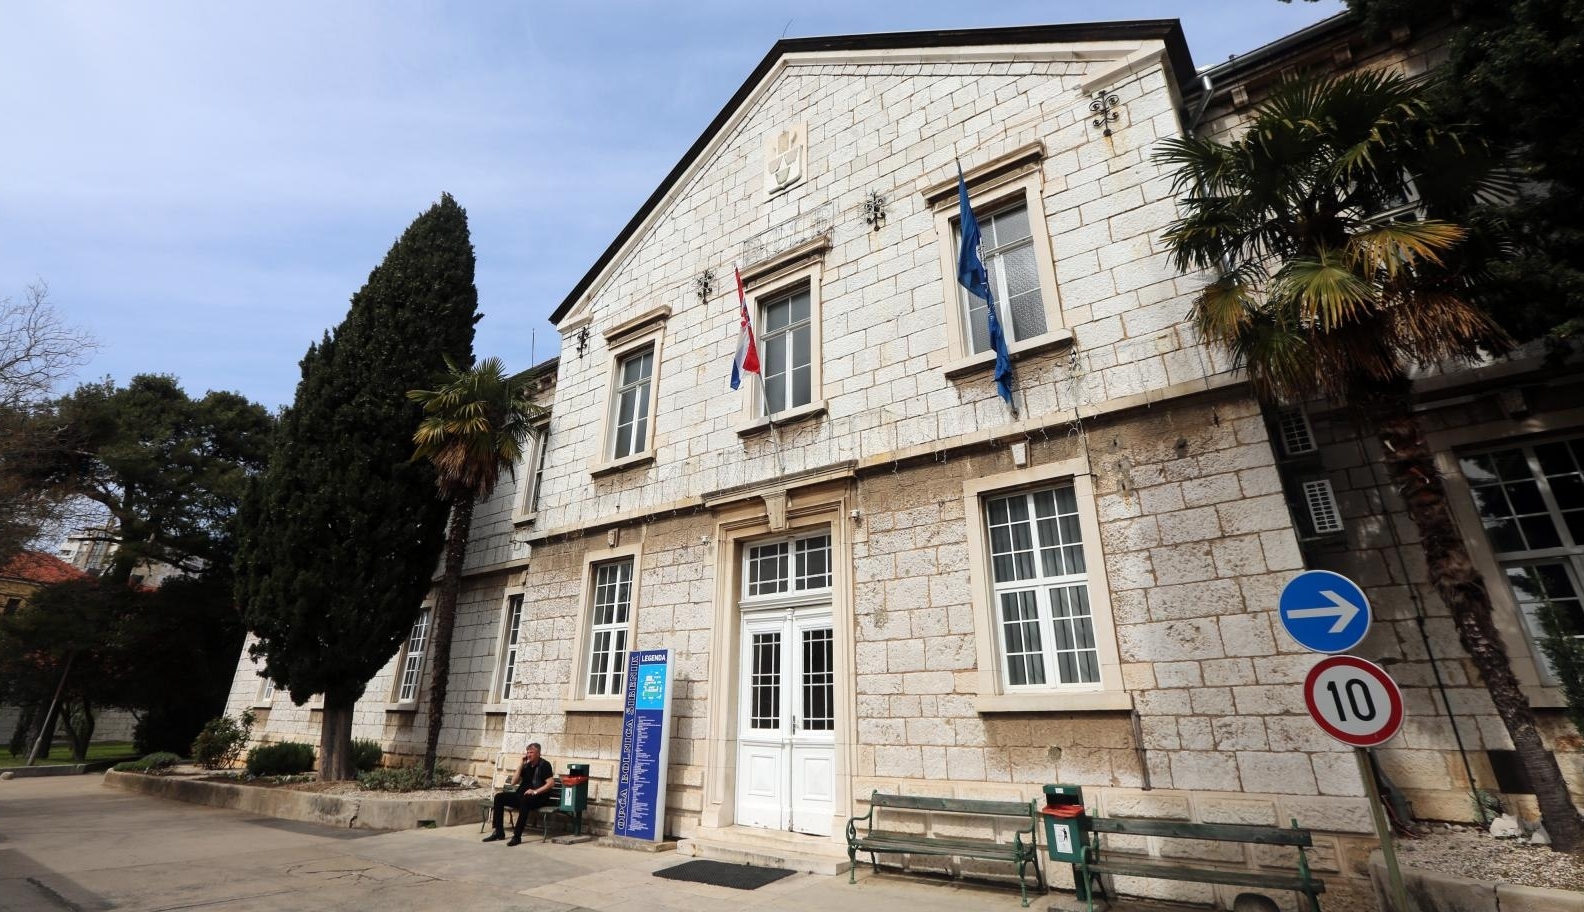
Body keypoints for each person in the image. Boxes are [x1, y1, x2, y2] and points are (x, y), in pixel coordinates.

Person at [483, 742, 556, 846]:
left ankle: (517, 836)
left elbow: (551, 783)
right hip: (522, 796)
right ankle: (498, 832)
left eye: (531, 752)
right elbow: (513, 782)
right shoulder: (526, 766)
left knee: (525, 800)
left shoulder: (544, 765)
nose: (529, 755)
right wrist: (521, 765)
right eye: (528, 752)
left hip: (538, 798)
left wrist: (534, 791)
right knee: (499, 797)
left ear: (538, 753)